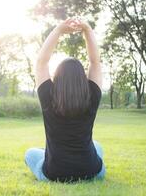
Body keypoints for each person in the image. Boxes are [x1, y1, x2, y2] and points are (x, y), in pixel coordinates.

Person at [24, 18, 105, 182]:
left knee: (30, 153)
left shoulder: (48, 96)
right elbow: (95, 62)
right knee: (97, 146)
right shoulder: (92, 95)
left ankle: (47, 152)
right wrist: (87, 30)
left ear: (57, 77)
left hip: (55, 173)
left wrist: (58, 30)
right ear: (82, 78)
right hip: (92, 171)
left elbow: (41, 61)